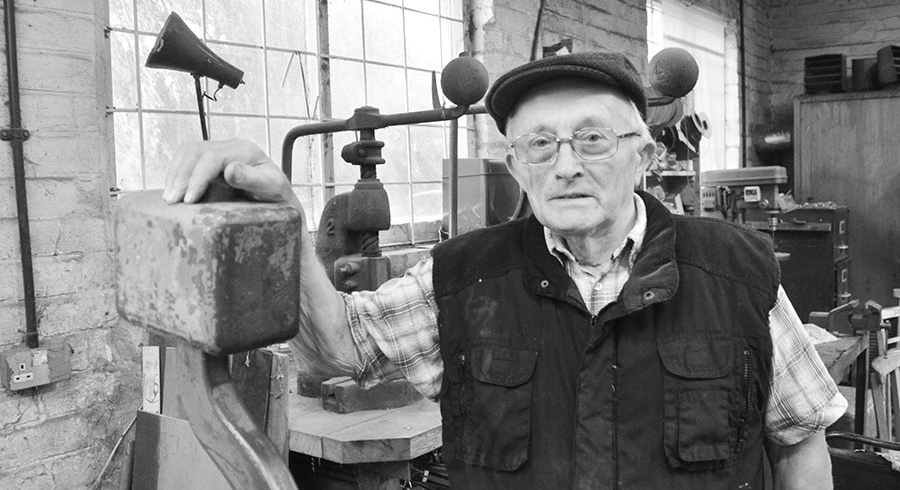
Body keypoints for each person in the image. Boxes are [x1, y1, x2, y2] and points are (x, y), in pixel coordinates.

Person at [163, 52, 846, 489]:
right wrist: (285, 217)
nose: (566, 163)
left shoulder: (734, 270)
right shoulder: (466, 277)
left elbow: (800, 441)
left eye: (593, 138)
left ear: (642, 152)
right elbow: (339, 345)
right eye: (540, 144)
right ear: (517, 166)